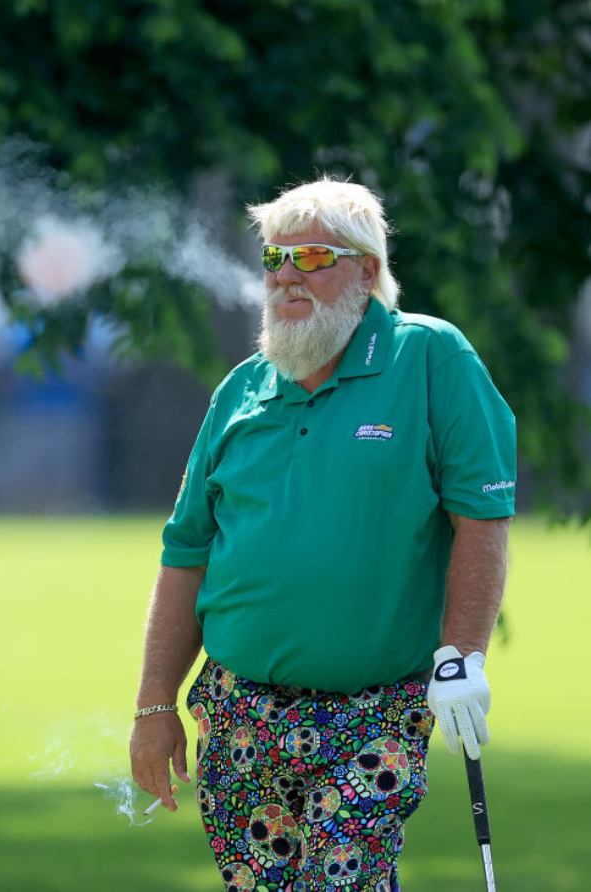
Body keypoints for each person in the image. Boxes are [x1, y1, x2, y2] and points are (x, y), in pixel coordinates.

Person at [129, 178, 514, 891]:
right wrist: (155, 706)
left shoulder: (431, 359)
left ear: (366, 271)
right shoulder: (242, 391)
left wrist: (463, 656)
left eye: (309, 257)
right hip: (240, 713)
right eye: (275, 258)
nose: (283, 275)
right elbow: (186, 554)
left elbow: (481, 521)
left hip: (375, 710)